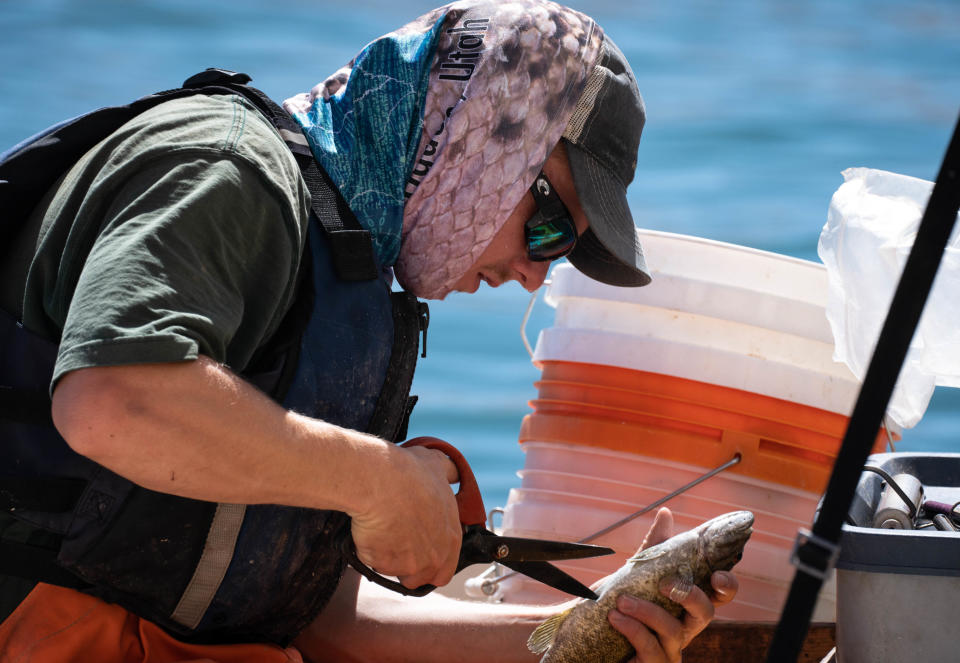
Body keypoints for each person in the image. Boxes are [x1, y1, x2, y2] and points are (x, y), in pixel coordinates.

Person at [0, 1, 739, 661]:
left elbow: (322, 620)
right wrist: (379, 482)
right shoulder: (227, 171)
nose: (536, 275)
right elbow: (113, 401)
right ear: (491, 129)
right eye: (548, 227)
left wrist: (579, 631)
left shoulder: (350, 267)